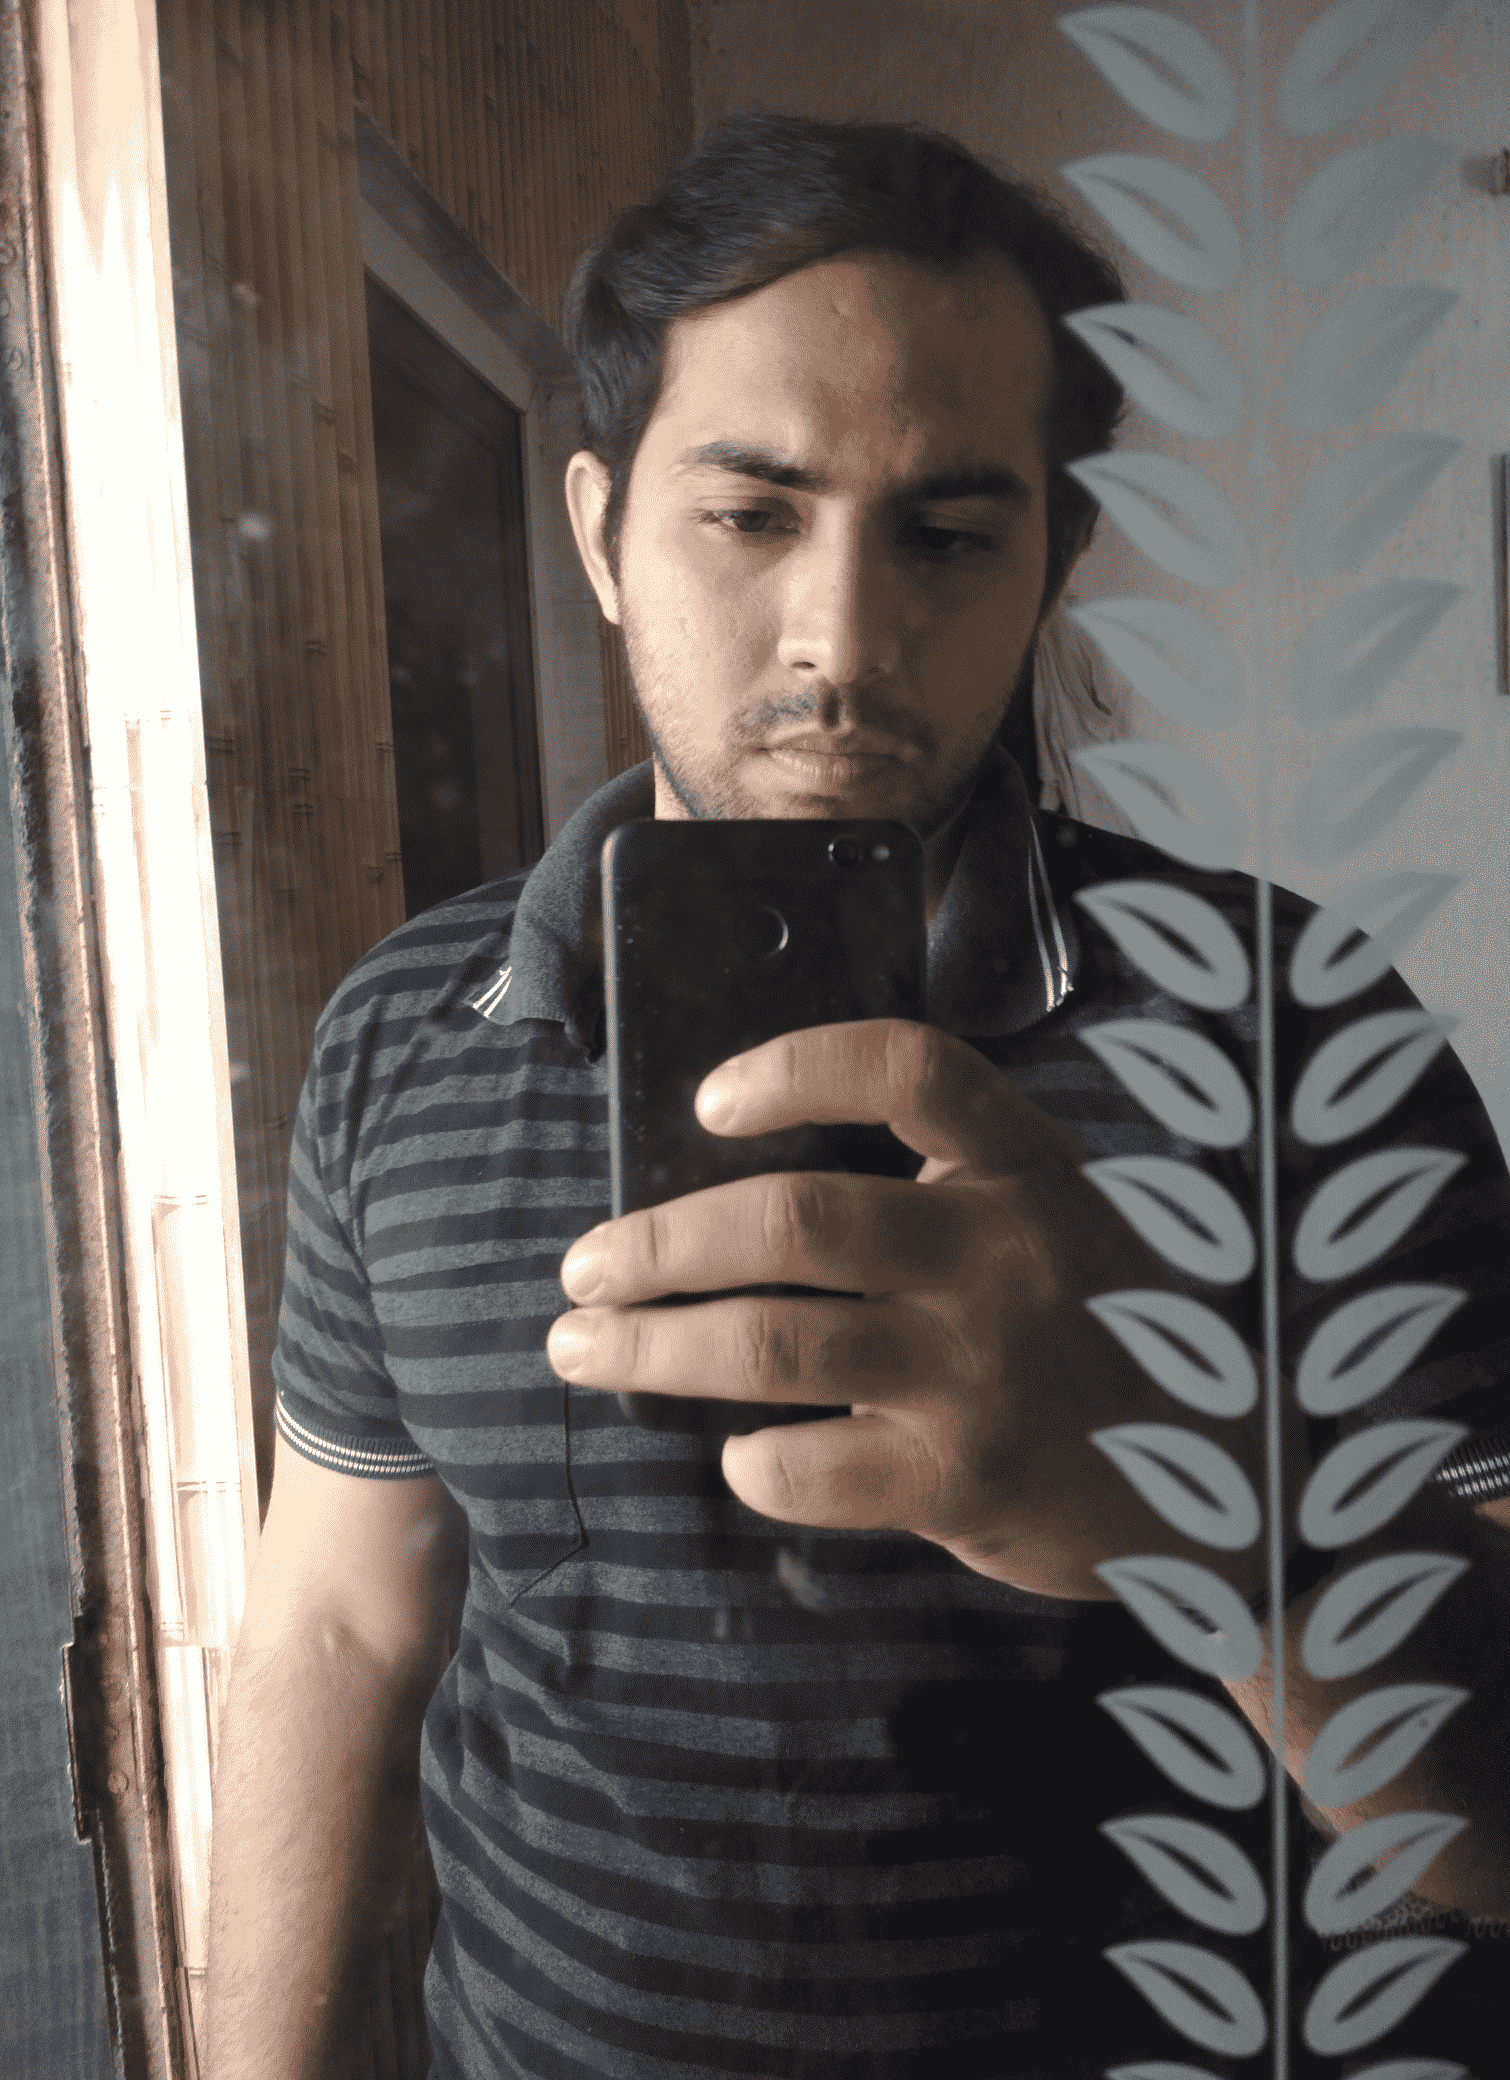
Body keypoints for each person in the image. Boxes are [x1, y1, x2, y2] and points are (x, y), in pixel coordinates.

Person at [205, 115, 1510, 2079]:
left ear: (1054, 557)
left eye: (949, 535)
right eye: (751, 515)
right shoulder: (403, 1031)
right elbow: (335, 1626)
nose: (841, 640)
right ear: (599, 533)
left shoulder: (1294, 1031)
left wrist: (1225, 1511)